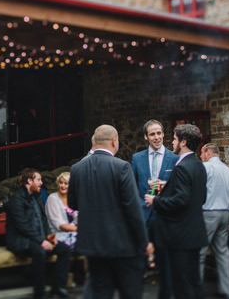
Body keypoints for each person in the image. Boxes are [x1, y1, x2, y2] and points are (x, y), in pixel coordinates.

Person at [69, 125, 152, 299]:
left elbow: (73, 203)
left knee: (99, 292)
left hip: (92, 244)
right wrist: (144, 241)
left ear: (95, 141)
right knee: (130, 292)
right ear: (114, 141)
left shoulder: (77, 169)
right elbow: (133, 208)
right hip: (122, 244)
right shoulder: (121, 167)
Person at [145, 124, 207, 299]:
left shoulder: (181, 167)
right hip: (195, 233)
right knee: (194, 283)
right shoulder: (198, 164)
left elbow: (181, 200)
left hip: (180, 237)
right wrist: (168, 188)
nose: (172, 142)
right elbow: (200, 197)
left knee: (182, 286)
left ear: (184, 142)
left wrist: (155, 200)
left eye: (174, 139)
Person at [5, 168, 71, 299]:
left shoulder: (37, 197)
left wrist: (50, 238)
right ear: (29, 181)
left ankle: (58, 287)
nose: (41, 183)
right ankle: (39, 292)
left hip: (39, 237)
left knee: (64, 249)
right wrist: (42, 241)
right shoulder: (16, 199)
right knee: (40, 252)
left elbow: (43, 220)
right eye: (38, 180)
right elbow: (22, 226)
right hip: (21, 239)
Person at [131, 119, 178, 299]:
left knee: (165, 258)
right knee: (140, 255)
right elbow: (133, 187)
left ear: (163, 134)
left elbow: (177, 187)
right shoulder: (137, 158)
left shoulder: (174, 158)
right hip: (144, 213)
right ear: (146, 137)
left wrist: (164, 186)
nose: (156, 137)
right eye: (152, 134)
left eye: (159, 133)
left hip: (164, 213)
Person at [199, 143, 229, 299]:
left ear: (207, 152)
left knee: (199, 253)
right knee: (223, 252)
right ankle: (227, 290)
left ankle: (196, 290)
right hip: (225, 212)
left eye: (201, 153)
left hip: (208, 212)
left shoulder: (205, 168)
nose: (200, 156)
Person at [45, 172, 77, 249]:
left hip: (73, 233)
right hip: (57, 235)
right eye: (61, 182)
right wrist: (79, 229)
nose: (62, 186)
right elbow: (58, 224)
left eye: (66, 183)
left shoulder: (73, 198)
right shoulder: (52, 198)